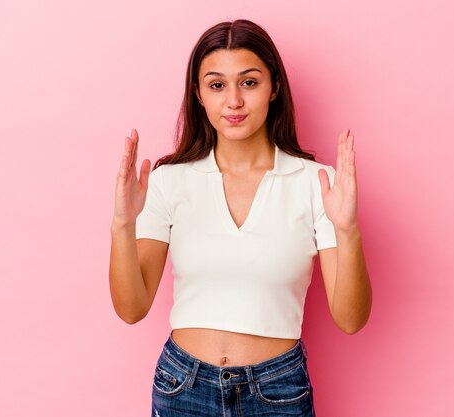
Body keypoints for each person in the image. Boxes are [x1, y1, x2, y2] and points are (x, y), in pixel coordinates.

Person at [109, 19, 372, 417]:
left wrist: (348, 230)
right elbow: (132, 308)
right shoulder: (166, 182)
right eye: (217, 85)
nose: (233, 101)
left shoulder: (318, 184)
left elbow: (351, 319)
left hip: (278, 391)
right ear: (198, 94)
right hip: (183, 388)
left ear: (274, 87)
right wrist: (122, 225)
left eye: (249, 82)